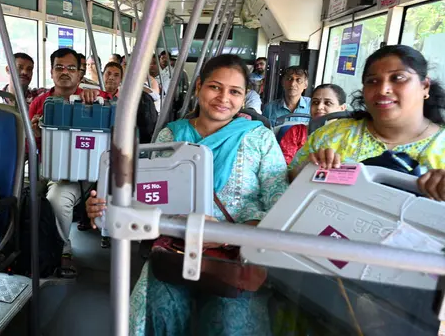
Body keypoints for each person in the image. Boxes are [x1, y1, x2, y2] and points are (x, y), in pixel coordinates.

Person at [86, 54, 288, 335]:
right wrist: (106, 206)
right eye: (215, 87)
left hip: (240, 252)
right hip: (175, 246)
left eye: (234, 92)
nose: (223, 98)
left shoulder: (259, 138)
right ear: (199, 89)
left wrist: (233, 235)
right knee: (157, 312)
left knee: (228, 322)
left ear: (244, 99)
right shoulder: (171, 137)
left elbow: (281, 204)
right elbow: (148, 195)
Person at [289, 45, 445, 201]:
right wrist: (308, 169)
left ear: (424, 87)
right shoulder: (332, 135)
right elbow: (289, 180)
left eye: (398, 78)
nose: (383, 89)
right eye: (373, 81)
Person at [28, 48, 109, 277]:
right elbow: (28, 148)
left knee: (58, 198)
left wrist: (98, 102)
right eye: (59, 67)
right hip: (47, 168)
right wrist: (34, 134)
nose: (65, 72)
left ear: (80, 73)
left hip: (82, 174)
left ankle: (62, 250)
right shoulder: (40, 103)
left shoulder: (96, 100)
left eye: (71, 68)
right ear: (51, 71)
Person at [279, 84, 347, 164]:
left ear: (342, 109)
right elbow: (283, 168)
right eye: (315, 102)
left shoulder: (347, 136)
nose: (319, 107)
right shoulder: (297, 133)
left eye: (328, 103)